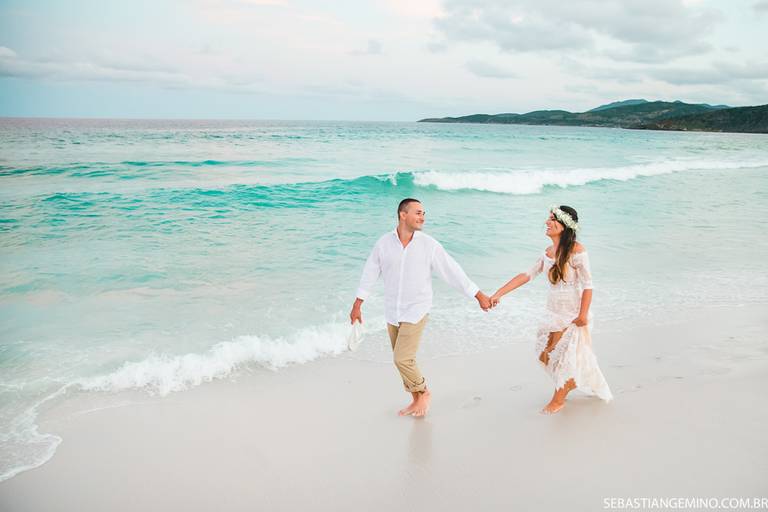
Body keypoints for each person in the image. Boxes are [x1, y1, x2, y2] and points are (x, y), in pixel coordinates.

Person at [350, 198, 492, 417]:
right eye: (417, 212)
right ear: (402, 215)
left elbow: (452, 271)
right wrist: (358, 304)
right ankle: (416, 400)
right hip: (392, 310)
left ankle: (424, 392)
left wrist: (477, 294)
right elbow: (370, 272)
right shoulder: (384, 243)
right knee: (404, 360)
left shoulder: (429, 245)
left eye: (423, 213)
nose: (422, 217)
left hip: (416, 309)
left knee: (402, 359)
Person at [490, 205, 612, 414]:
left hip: (573, 314)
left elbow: (588, 285)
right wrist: (498, 294)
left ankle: (558, 399)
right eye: (548, 218)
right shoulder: (547, 253)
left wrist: (582, 315)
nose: (547, 222)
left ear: (564, 226)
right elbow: (526, 275)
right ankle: (572, 382)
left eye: (552, 219)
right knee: (544, 355)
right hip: (553, 313)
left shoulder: (577, 251)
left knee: (564, 357)